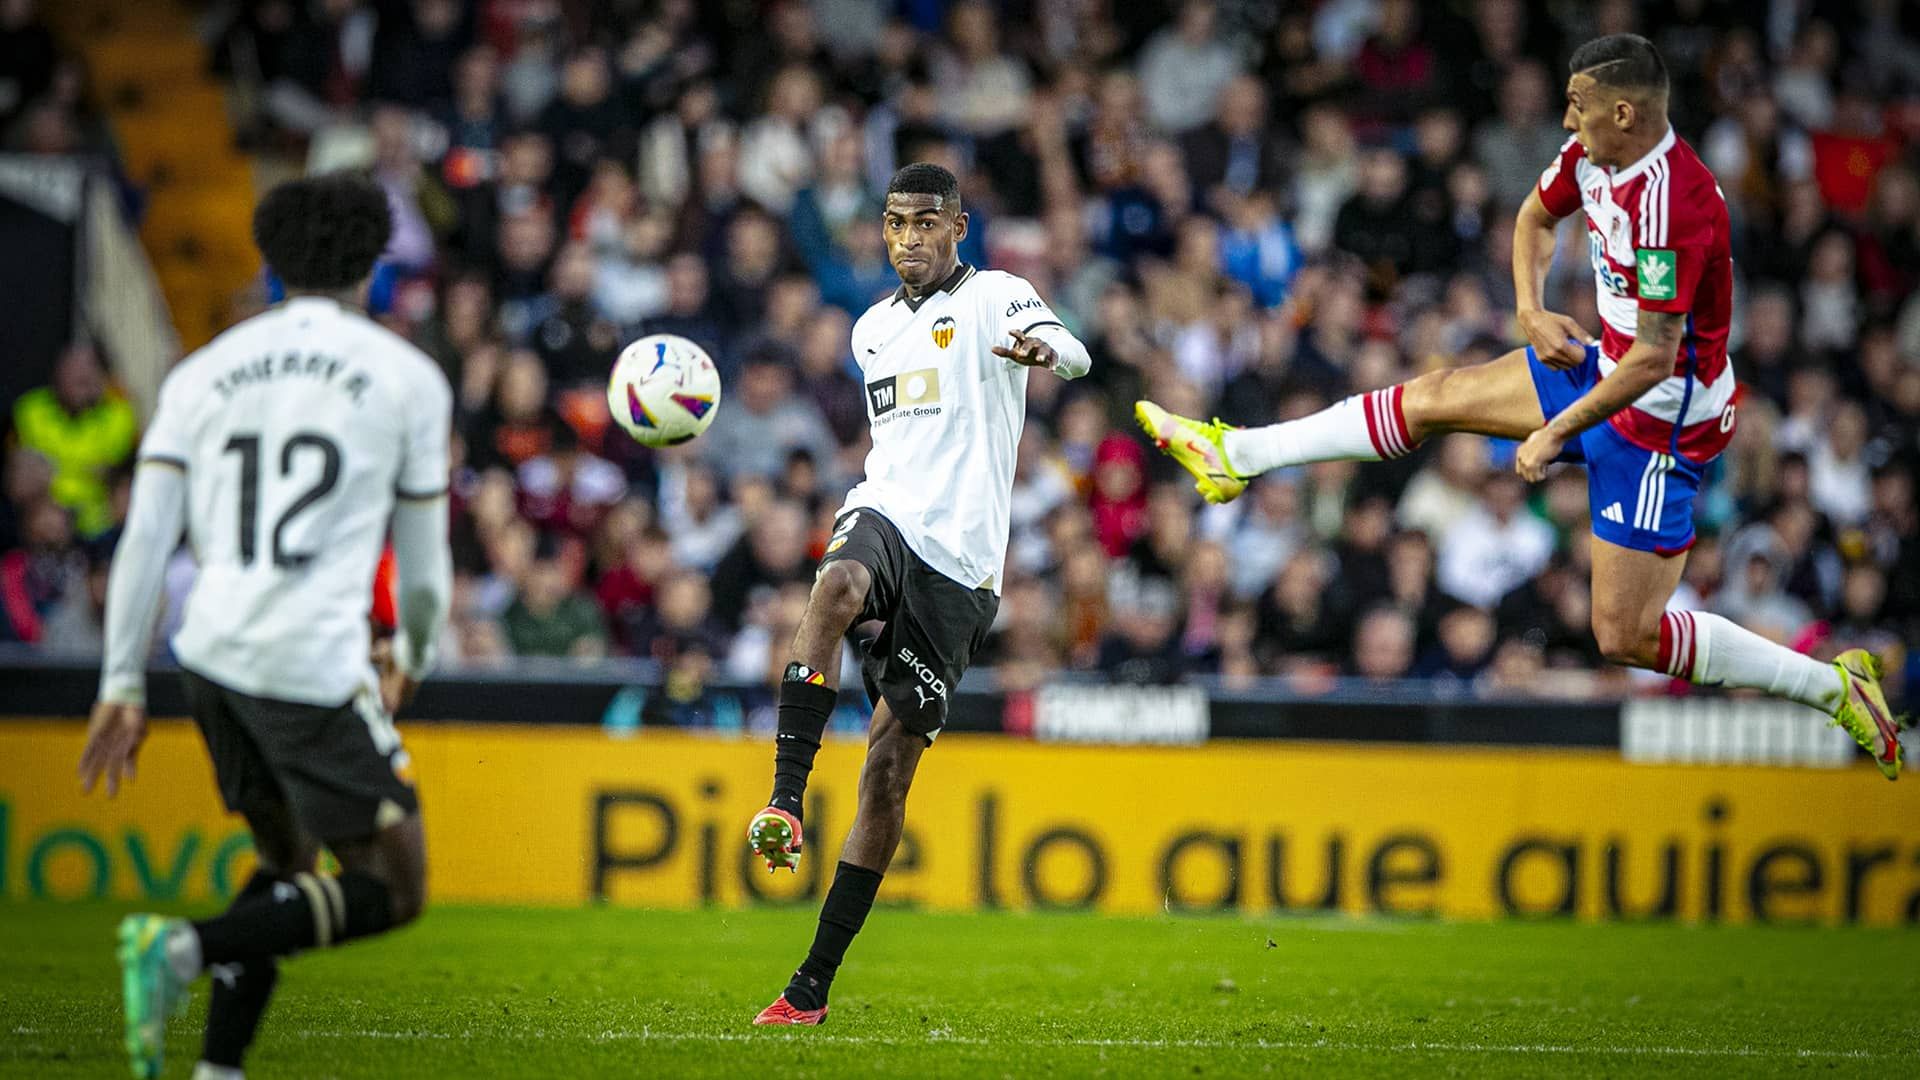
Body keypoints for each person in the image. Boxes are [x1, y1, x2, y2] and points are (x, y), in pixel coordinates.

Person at [1138, 34, 1906, 778]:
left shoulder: (1679, 206)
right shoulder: (1595, 155)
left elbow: (1655, 358)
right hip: (1605, 364)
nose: (1567, 122)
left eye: (1580, 107)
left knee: (1625, 634)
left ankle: (1835, 688)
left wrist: (1553, 434)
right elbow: (1534, 219)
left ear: (1626, 114)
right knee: (1435, 395)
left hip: (1661, 425)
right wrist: (1530, 310)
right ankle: (1237, 454)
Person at [77, 173, 454, 1078]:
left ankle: (218, 1069)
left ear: (271, 263)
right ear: (372, 265)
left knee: (286, 862)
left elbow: (145, 540)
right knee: (395, 887)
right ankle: (180, 951)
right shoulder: (407, 377)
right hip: (308, 662)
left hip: (205, 652)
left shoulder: (201, 370)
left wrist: (121, 683)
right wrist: (410, 654)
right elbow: (428, 572)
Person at [746, 163, 1089, 1024]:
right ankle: (785, 797)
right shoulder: (868, 333)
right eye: (896, 224)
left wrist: (1047, 352)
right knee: (838, 584)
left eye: (927, 224)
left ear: (958, 228)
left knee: (889, 772)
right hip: (887, 511)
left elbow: (1074, 350)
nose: (909, 239)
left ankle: (810, 987)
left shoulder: (997, 298)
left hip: (964, 564)